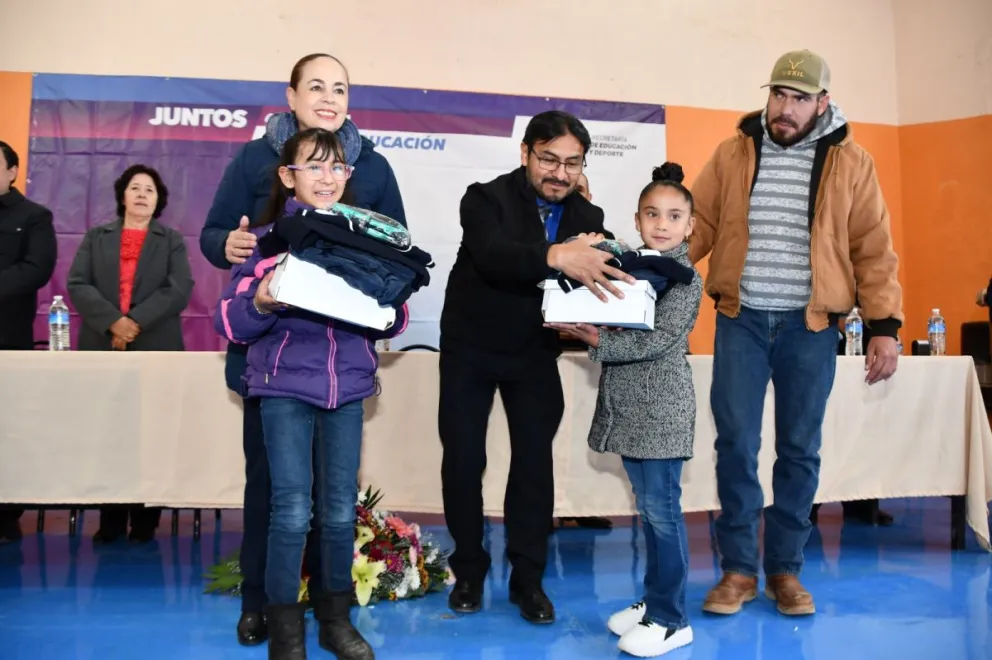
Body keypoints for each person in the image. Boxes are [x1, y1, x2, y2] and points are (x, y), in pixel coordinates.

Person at [199, 53, 406, 646]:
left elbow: (395, 262)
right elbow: (219, 239)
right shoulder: (255, 161)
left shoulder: (375, 168)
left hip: (343, 371)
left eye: (339, 87)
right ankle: (264, 604)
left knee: (334, 505)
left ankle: (332, 615)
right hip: (276, 367)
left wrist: (386, 300)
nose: (328, 95)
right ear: (290, 95)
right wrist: (237, 250)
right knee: (275, 491)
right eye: (315, 85)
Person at [689, 50, 903, 616]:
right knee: (735, 445)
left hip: (811, 328)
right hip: (740, 320)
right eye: (779, 94)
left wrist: (884, 327)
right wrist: (652, 274)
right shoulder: (733, 152)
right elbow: (699, 223)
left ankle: (785, 570)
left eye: (800, 98)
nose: (786, 109)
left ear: (823, 103)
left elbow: (873, 249)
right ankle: (737, 571)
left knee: (799, 451)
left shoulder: (853, 163)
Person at [439, 110, 635, 624]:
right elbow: (493, 254)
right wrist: (558, 257)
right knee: (463, 460)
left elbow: (605, 274)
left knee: (533, 465)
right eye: (549, 159)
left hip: (533, 352)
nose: (559, 172)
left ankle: (528, 580)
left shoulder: (588, 221)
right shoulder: (483, 198)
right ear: (525, 153)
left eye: (572, 163)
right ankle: (469, 570)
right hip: (470, 346)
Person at [550, 162, 702, 657]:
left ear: (690, 225)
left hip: (663, 411)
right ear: (637, 220)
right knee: (650, 510)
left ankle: (672, 619)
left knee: (663, 513)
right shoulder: (629, 265)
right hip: (629, 406)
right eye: (652, 214)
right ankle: (656, 600)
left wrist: (594, 339)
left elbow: (657, 341)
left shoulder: (686, 280)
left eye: (674, 216)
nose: (662, 224)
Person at [67, 164, 194, 543]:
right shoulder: (96, 237)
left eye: (149, 190)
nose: (141, 195)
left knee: (150, 436)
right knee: (109, 435)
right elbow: (78, 282)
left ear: (159, 201)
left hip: (156, 346)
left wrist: (133, 322)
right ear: (122, 195)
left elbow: (178, 288)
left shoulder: (170, 240)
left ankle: (144, 521)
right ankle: (109, 520)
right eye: (135, 188)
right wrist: (113, 322)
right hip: (102, 345)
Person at [0, 140, 57, 543]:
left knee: (7, 433)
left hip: (8, 338)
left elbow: (36, 269)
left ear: (11, 171)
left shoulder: (33, 216)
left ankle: (6, 516)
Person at [556, 171, 612, 531]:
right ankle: (549, 506)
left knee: (586, 433)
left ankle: (585, 504)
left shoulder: (605, 243)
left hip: (590, 350)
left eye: (582, 190)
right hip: (551, 349)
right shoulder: (549, 243)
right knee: (554, 434)